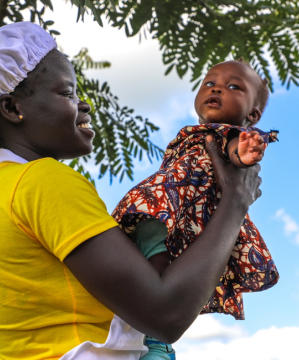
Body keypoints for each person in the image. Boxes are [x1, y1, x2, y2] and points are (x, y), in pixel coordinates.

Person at [0, 22, 264, 360]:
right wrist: (235, 200)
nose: (84, 106)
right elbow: (164, 315)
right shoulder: (42, 180)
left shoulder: (4, 187)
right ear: (12, 109)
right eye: (67, 93)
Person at [112, 60, 280, 358]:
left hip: (185, 215)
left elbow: (234, 153)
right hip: (169, 210)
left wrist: (244, 155)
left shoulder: (228, 134)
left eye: (233, 87)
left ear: (252, 114)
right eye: (209, 82)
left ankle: (155, 335)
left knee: (157, 274)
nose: (216, 88)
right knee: (143, 258)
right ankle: (151, 334)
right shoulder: (196, 133)